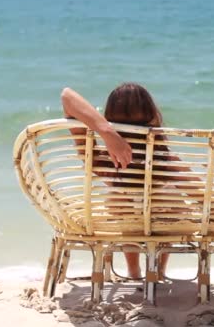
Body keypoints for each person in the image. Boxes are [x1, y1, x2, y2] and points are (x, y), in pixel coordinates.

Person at [61, 82, 175, 280]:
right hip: (164, 222)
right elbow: (201, 190)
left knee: (123, 207)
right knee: (169, 202)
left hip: (124, 220)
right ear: (154, 116)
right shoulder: (166, 161)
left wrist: (106, 132)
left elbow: (66, 96)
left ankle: (133, 271)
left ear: (108, 117)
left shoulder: (103, 162)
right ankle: (159, 272)